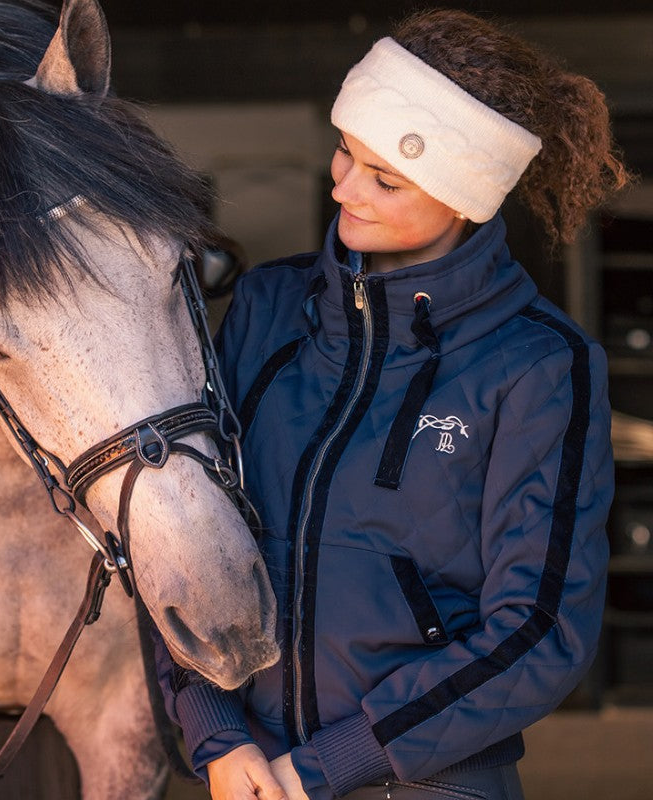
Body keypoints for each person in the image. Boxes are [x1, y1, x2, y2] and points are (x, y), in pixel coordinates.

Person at [155, 9, 629, 799]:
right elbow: (181, 533)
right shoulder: (269, 308)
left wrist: (329, 766)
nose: (343, 185)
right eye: (346, 151)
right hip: (247, 776)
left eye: (386, 177)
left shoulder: (541, 365)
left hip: (429, 782)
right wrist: (216, 730)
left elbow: (542, 628)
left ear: (464, 199)